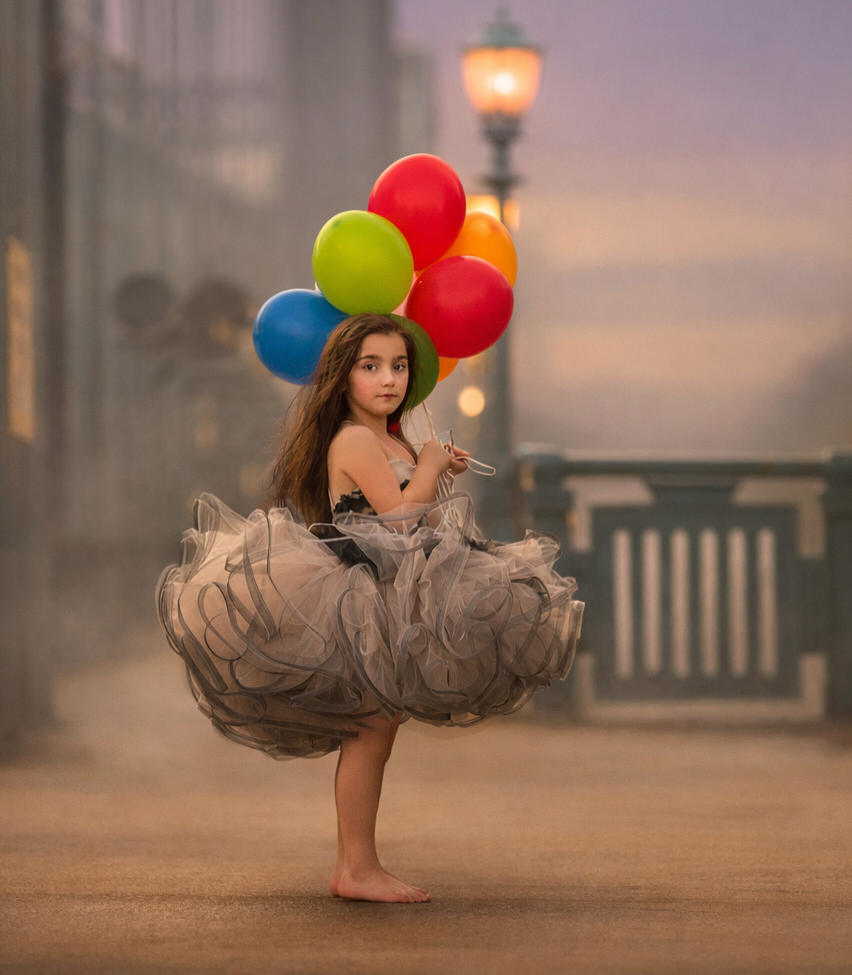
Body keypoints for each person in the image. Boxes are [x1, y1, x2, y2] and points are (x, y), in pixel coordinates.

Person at [157, 313, 583, 903]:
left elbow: (422, 519)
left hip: (389, 588)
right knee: (369, 729)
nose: (389, 379)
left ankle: (355, 864)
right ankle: (355, 868)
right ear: (342, 378)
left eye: (399, 366)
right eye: (371, 366)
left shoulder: (389, 438)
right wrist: (429, 470)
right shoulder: (355, 439)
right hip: (360, 593)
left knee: (377, 730)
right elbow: (397, 519)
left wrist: (432, 471)